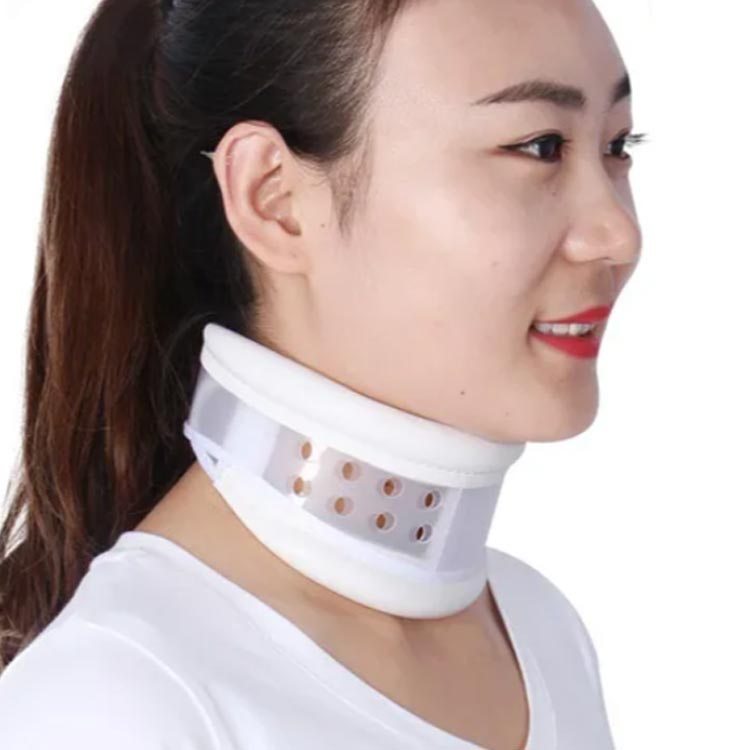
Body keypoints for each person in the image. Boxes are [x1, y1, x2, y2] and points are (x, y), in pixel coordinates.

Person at [0, 0, 644, 748]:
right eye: (539, 147)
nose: (618, 234)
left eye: (618, 145)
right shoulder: (119, 698)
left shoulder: (542, 633)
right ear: (274, 199)